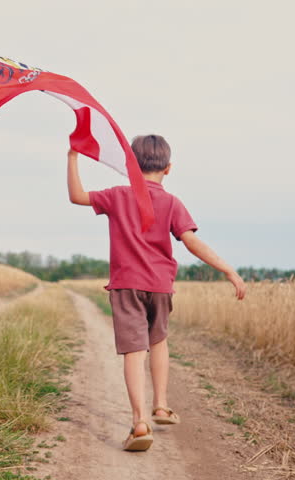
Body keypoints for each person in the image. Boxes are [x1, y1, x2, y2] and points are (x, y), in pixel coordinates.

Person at [66, 135, 246, 451]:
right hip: (160, 286)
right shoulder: (173, 202)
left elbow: (77, 196)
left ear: (130, 165)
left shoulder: (118, 195)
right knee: (158, 341)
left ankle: (139, 424)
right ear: (169, 168)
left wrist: (72, 156)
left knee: (135, 353)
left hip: (126, 285)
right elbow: (191, 241)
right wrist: (228, 270)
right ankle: (161, 405)